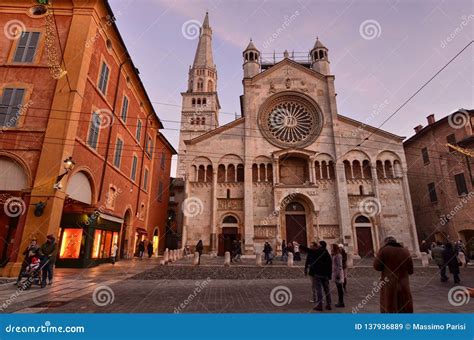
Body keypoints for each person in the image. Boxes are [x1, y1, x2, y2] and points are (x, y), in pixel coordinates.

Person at [374, 236, 414, 313]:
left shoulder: (384, 250)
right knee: (404, 304)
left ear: (386, 242)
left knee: (389, 304)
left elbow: (377, 266)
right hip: (403, 283)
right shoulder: (405, 251)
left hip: (389, 283)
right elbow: (411, 270)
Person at [300, 240, 332, 311]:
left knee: (319, 290)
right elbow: (330, 264)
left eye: (319, 244)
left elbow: (309, 250)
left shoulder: (317, 252)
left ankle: (320, 306)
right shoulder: (326, 252)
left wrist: (299, 245)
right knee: (327, 289)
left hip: (318, 274)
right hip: (325, 274)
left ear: (320, 246)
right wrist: (329, 275)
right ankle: (329, 304)